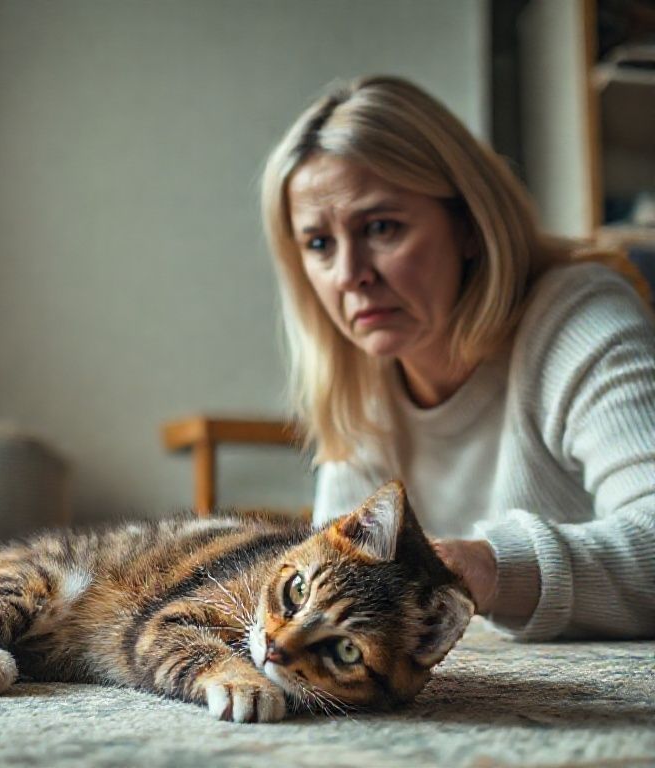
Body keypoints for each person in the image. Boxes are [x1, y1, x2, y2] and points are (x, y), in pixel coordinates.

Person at [260, 75, 655, 641]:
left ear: (468, 225)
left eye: (380, 227)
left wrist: (490, 569)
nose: (350, 275)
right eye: (319, 244)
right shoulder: (361, 382)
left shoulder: (579, 318)